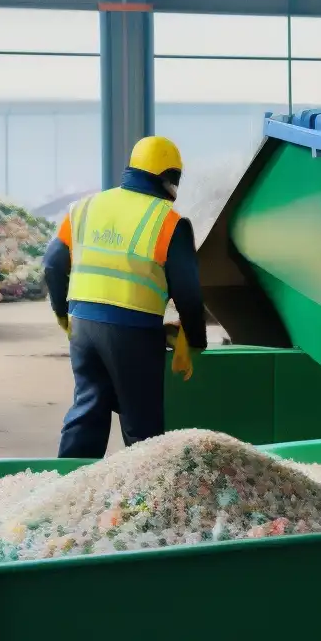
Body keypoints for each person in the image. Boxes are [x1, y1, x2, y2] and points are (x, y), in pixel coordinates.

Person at [45, 135, 206, 457]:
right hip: (132, 334)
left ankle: (67, 489)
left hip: (84, 327)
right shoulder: (168, 222)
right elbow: (187, 291)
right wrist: (195, 339)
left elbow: (52, 264)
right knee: (141, 424)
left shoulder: (85, 208)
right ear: (170, 178)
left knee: (88, 409)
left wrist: (63, 313)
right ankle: (143, 500)